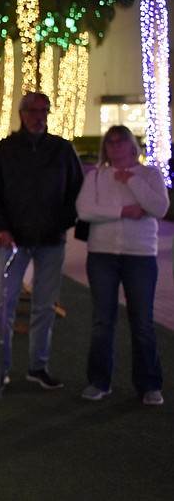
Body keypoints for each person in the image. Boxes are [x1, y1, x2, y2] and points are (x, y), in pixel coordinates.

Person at [0, 91, 84, 391]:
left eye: (44, 111)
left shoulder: (62, 150)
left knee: (44, 305)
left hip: (51, 240)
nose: (40, 116)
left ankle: (39, 366)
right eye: (34, 110)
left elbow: (78, 194)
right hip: (12, 240)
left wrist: (61, 223)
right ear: (22, 113)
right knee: (5, 305)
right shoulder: (4, 150)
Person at [75, 125, 169, 405]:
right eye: (110, 142)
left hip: (140, 255)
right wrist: (124, 211)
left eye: (121, 141)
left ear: (132, 146)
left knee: (142, 322)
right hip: (102, 255)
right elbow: (84, 210)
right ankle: (99, 381)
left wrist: (131, 181)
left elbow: (159, 208)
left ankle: (149, 384)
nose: (115, 146)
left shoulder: (149, 175)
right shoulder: (96, 177)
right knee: (103, 321)